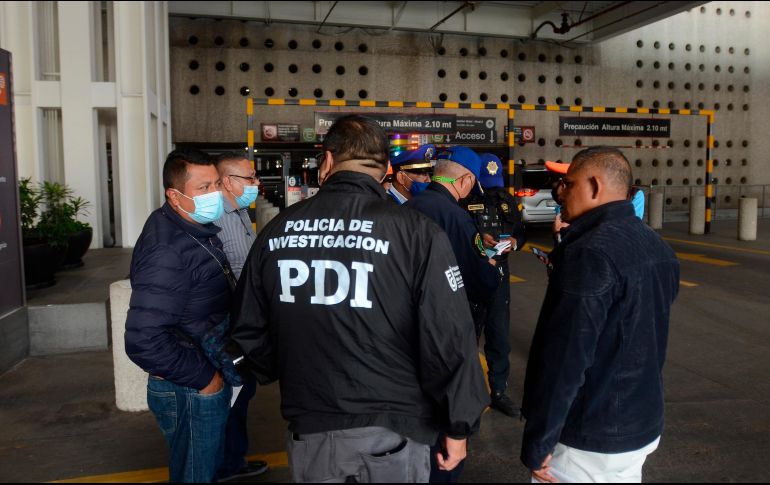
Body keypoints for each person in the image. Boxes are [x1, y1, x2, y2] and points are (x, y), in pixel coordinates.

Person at [229, 115, 489, 483]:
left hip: (311, 427)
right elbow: (449, 336)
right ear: (385, 169)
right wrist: (458, 424)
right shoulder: (416, 232)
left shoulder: (277, 231)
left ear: (327, 161)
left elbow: (248, 331)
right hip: (394, 429)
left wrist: (283, 366)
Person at [520, 147, 680, 483]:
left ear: (594, 186)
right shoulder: (657, 246)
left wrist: (539, 441)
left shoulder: (589, 254)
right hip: (640, 424)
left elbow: (567, 359)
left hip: (587, 437)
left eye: (568, 184)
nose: (559, 192)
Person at [125, 149, 233, 483]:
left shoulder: (190, 228)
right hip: (189, 388)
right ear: (174, 196)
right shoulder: (167, 250)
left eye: (216, 184)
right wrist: (207, 380)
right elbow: (143, 340)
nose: (215, 194)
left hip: (198, 374)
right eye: (203, 188)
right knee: (195, 474)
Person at [406, 146, 501, 483]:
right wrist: (489, 264)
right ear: (465, 181)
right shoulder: (457, 217)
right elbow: (481, 282)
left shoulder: (407, 208)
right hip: (447, 329)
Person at [211, 152, 269, 482]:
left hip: (243, 322)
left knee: (242, 393)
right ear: (228, 181)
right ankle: (226, 464)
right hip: (229, 325)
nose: (255, 183)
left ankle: (233, 459)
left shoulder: (240, 212)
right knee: (232, 396)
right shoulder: (219, 216)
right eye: (249, 178)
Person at [462, 153, 526, 418]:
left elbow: (520, 231)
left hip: (499, 273)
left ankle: (498, 391)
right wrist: (480, 240)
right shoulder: (464, 200)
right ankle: (466, 394)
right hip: (473, 273)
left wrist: (515, 242)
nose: (492, 189)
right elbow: (459, 235)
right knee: (467, 336)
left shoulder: (506, 200)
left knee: (499, 336)